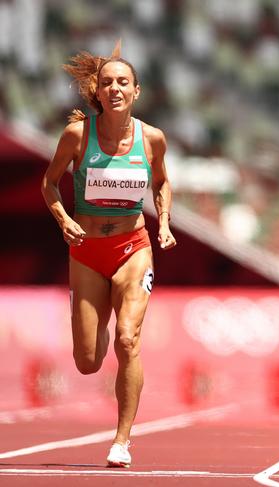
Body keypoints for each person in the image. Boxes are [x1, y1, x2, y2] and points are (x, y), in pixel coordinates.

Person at [41, 42, 176, 467]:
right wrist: (64, 217)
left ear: (136, 91)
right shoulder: (77, 136)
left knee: (128, 339)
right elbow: (49, 185)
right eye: (107, 83)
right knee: (87, 361)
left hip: (133, 246)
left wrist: (165, 221)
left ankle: (122, 440)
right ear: (96, 92)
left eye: (122, 82)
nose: (114, 88)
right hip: (86, 251)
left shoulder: (152, 138)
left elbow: (162, 183)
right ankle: (93, 323)